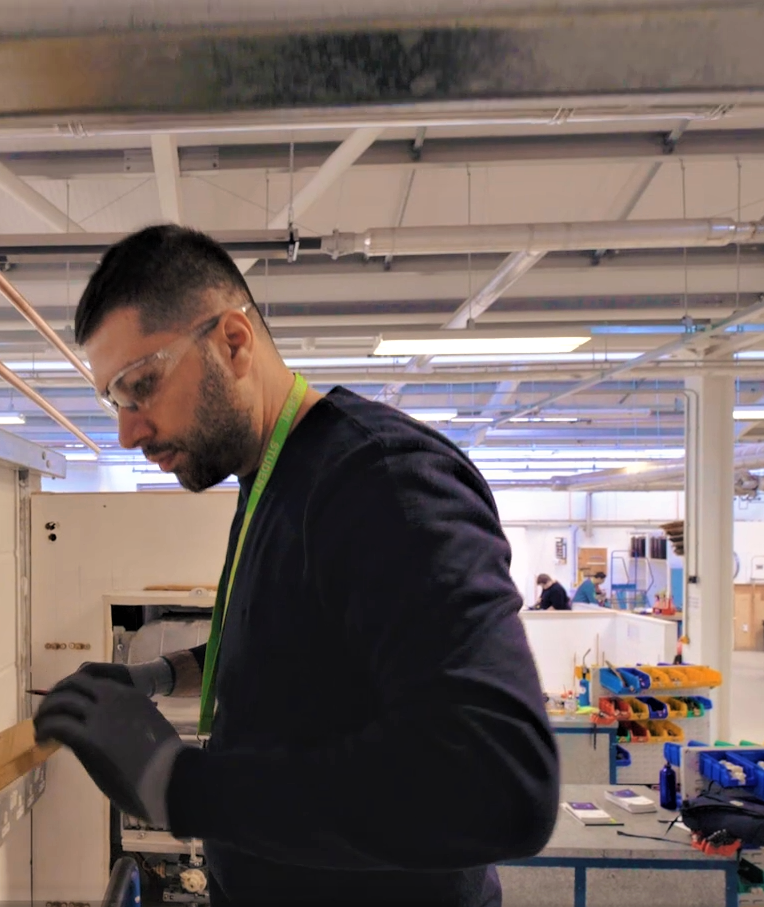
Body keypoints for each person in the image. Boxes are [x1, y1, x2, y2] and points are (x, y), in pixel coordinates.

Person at [32, 225, 559, 906]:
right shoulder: (272, 477)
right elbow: (295, 636)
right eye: (115, 400)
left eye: (142, 386)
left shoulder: (382, 482)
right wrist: (159, 673)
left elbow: (499, 784)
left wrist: (176, 782)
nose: (127, 431)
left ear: (232, 341)